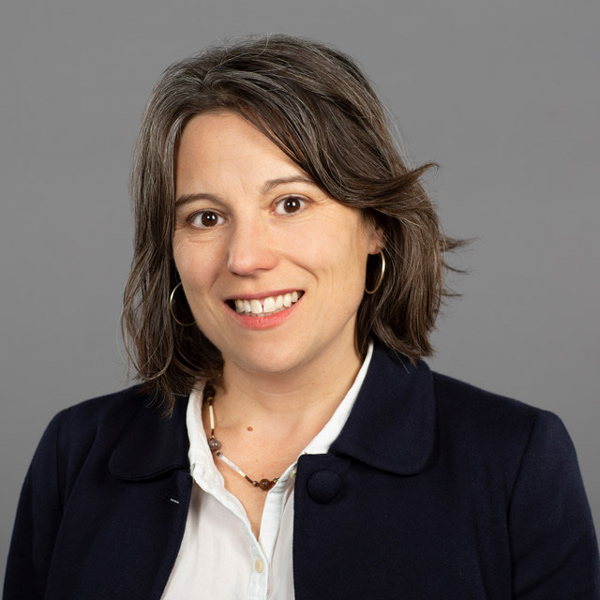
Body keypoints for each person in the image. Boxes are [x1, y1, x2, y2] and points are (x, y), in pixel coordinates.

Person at [4, 34, 599, 600]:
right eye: (206, 217)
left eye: (291, 203)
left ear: (376, 226)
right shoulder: (76, 454)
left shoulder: (514, 462)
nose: (245, 258)